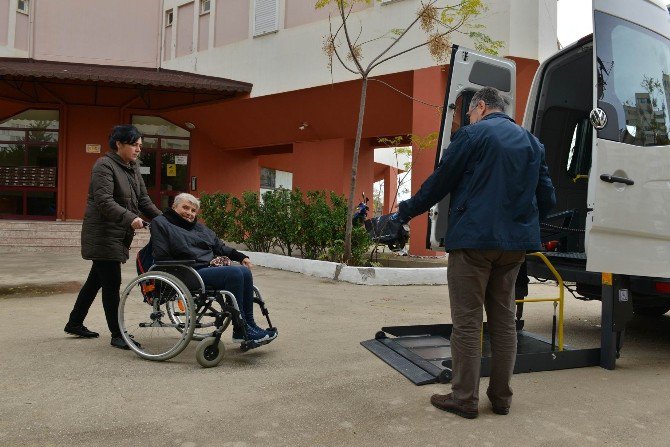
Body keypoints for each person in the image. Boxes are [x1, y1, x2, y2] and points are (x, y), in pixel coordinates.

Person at [394, 87, 556, 418]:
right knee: (504, 322)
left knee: (467, 322)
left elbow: (438, 184)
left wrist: (403, 213)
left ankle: (464, 398)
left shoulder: (472, 136)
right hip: (512, 249)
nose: (467, 118)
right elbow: (548, 200)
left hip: (473, 244)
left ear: (480, 106)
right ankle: (501, 398)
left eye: (468, 112)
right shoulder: (532, 143)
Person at [65, 124, 161, 349]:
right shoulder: (104, 165)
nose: (139, 149)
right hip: (102, 233)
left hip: (117, 234)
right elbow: (104, 201)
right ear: (119, 144)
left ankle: (74, 322)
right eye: (134, 145)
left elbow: (143, 200)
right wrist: (130, 218)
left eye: (140, 145)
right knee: (111, 284)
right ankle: (118, 334)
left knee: (94, 281)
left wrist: (166, 220)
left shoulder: (132, 167)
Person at [150, 193, 277, 345]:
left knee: (244, 271)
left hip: (205, 269)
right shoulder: (161, 223)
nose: (189, 213)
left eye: (193, 210)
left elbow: (220, 247)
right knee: (235, 273)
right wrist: (191, 259)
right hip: (186, 271)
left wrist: (241, 256)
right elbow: (161, 256)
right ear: (174, 207)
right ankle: (241, 328)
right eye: (185, 208)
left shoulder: (199, 228)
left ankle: (249, 325)